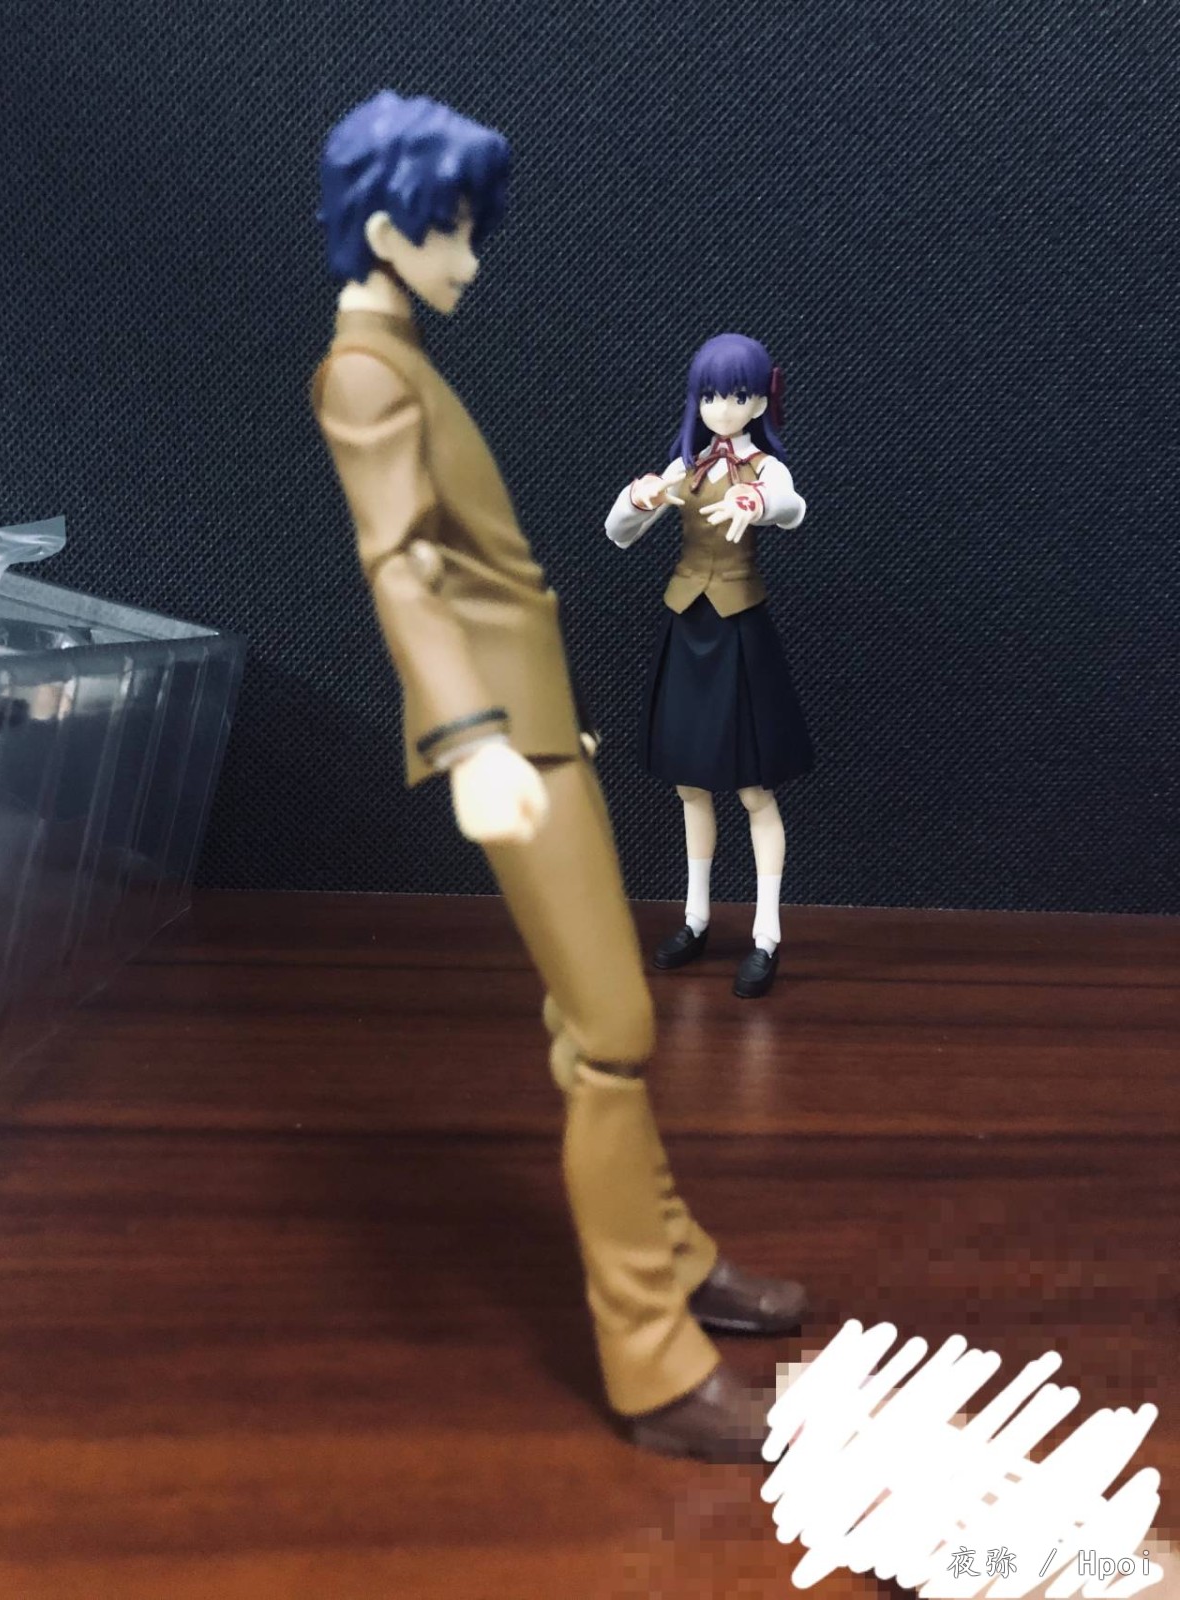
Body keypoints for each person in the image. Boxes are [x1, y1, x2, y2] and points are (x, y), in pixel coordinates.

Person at [310, 91, 806, 1460]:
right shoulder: (365, 377)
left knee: (598, 1021)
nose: (470, 262)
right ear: (388, 226)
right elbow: (400, 569)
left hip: (538, 727)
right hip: (504, 740)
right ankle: (654, 1364)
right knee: (611, 1033)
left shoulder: (402, 361)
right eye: (454, 233)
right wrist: (471, 741)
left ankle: (673, 1255)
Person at [605, 334, 814, 999]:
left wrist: (759, 504)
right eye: (712, 395)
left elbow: (793, 508)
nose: (724, 408)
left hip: (740, 630)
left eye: (738, 395)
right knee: (690, 785)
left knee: (754, 789)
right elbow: (617, 532)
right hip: (688, 627)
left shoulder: (765, 469)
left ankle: (765, 934)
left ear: (760, 402)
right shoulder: (685, 467)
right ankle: (695, 918)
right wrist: (639, 500)